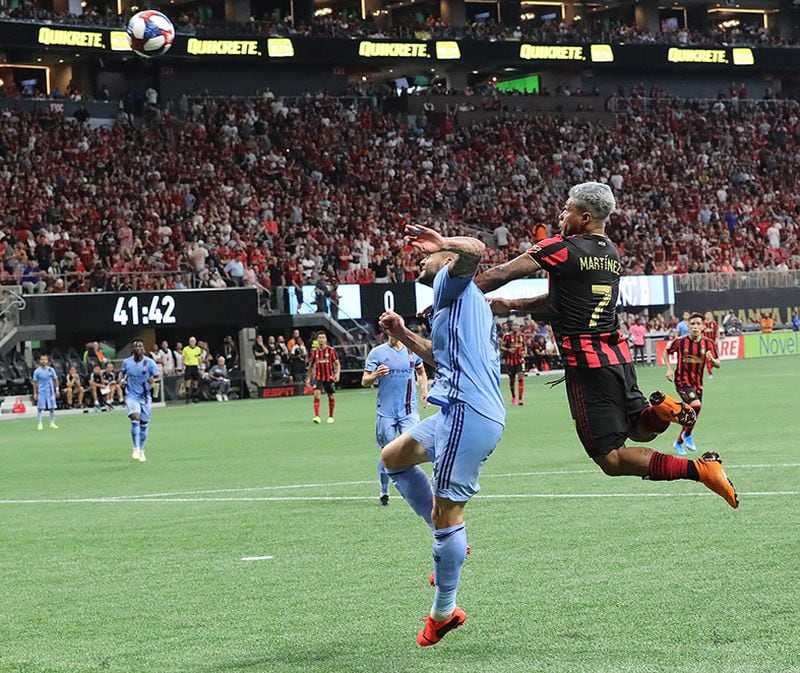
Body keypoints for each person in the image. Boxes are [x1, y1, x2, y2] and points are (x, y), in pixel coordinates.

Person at [475, 182, 738, 509]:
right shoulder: (610, 254)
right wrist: (511, 305)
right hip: (618, 357)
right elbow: (563, 300)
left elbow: (502, 271)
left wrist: (454, 295)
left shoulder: (562, 247)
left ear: (584, 217)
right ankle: (661, 411)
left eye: (567, 208)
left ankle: (700, 470)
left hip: (586, 367)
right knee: (640, 430)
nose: (561, 214)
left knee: (610, 459)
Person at [378, 226, 505, 647]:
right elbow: (438, 355)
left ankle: (443, 612)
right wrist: (400, 334)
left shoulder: (450, 280)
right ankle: (450, 542)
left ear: (446, 263)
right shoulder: (456, 302)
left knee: (446, 516)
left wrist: (444, 246)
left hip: (468, 412)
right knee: (393, 457)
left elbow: (476, 250)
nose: (420, 261)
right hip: (462, 409)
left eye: (427, 257)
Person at [362, 334, 429, 506]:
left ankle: (417, 489)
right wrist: (375, 375)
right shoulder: (377, 353)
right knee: (388, 452)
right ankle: (384, 491)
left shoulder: (411, 351)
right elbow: (364, 380)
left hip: (408, 411)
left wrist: (424, 390)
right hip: (386, 412)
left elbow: (421, 371)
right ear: (387, 333)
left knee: (411, 448)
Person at [663, 313, 721, 455]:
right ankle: (687, 435)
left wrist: (711, 360)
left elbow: (718, 364)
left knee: (693, 413)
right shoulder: (680, 341)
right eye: (692, 324)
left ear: (703, 326)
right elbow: (666, 351)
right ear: (688, 325)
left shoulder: (708, 343)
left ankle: (679, 442)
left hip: (698, 384)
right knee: (696, 405)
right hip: (682, 381)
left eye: (698, 324)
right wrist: (669, 369)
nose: (695, 327)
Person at [121, 339, 159, 462]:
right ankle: (136, 447)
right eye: (136, 346)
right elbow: (123, 374)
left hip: (145, 397)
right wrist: (121, 380)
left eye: (140, 346)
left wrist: (153, 382)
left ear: (143, 349)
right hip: (132, 395)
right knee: (135, 416)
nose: (138, 348)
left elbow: (157, 377)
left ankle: (142, 449)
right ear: (133, 350)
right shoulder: (127, 362)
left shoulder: (150, 363)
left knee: (144, 424)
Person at [307, 332, 340, 423]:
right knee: (316, 395)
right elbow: (310, 365)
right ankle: (317, 416)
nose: (321, 339)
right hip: (318, 377)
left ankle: (331, 416)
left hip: (329, 376)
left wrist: (337, 374)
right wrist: (308, 377)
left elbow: (337, 363)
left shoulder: (331, 351)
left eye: (323, 337)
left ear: (326, 339)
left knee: (331, 396)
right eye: (319, 337)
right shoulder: (315, 352)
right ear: (317, 340)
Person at [501, 321, 527, 406]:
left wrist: (525, 352)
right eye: (514, 325)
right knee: (512, 380)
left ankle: (520, 399)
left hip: (520, 360)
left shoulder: (522, 336)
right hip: (510, 361)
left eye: (517, 325)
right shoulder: (507, 336)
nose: (515, 327)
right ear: (511, 327)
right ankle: (513, 396)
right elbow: (502, 346)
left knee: (520, 378)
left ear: (519, 327)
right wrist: (508, 350)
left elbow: (524, 345)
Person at [32, 354, 59, 430]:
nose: (43, 361)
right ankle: (40, 423)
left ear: (48, 361)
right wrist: (35, 393)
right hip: (42, 391)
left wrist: (56, 390)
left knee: (52, 408)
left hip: (50, 391)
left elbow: (55, 380)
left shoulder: (51, 370)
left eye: (45, 359)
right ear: (40, 361)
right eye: (42, 359)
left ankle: (52, 423)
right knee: (40, 408)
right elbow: (35, 382)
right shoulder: (37, 371)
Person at [182, 336, 202, 403]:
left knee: (195, 382)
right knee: (188, 382)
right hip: (188, 366)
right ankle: (187, 397)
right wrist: (183, 367)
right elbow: (183, 358)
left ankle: (194, 397)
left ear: (195, 342)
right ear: (189, 342)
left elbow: (199, 359)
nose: (192, 342)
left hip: (195, 366)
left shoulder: (198, 349)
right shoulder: (185, 349)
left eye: (193, 341)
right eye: (191, 341)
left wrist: (200, 367)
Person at [702, 311, 720, 378]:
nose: (708, 315)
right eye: (707, 314)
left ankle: (710, 369)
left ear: (711, 315)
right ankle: (710, 372)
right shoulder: (703, 324)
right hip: (705, 344)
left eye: (709, 314)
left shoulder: (714, 323)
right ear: (705, 315)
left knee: (714, 357)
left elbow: (717, 331)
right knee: (707, 358)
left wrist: (717, 338)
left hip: (713, 344)